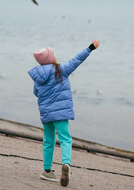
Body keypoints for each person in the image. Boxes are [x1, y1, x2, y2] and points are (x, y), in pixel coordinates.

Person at [28, 40, 100, 187]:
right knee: (65, 139)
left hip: (46, 114)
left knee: (48, 141)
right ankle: (66, 164)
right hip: (60, 113)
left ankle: (46, 171)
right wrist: (90, 48)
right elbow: (76, 60)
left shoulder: (38, 78)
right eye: (53, 55)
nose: (55, 56)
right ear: (50, 58)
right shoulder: (61, 70)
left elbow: (36, 93)